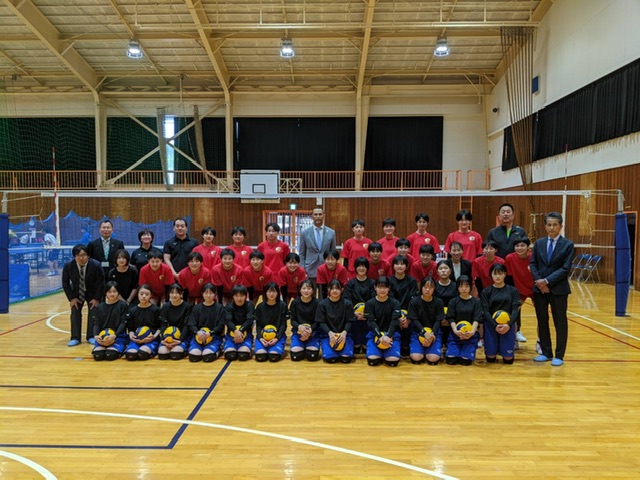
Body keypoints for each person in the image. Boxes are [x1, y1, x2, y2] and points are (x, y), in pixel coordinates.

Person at [530, 212, 574, 367]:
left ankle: (559, 355)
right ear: (545, 226)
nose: (551, 228)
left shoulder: (568, 245)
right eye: (549, 225)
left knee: (560, 321)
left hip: (558, 289)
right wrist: (540, 282)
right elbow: (533, 264)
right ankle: (546, 352)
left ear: (561, 226)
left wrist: (547, 281)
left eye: (555, 225)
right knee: (542, 320)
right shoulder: (539, 243)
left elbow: (565, 269)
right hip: (539, 289)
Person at [62, 244, 105, 346]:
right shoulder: (68, 266)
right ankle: (75, 337)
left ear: (88, 256)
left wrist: (96, 298)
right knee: (75, 312)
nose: (81, 258)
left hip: (92, 293)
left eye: (84, 255)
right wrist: (72, 298)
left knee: (94, 313)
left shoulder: (96, 265)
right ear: (74, 256)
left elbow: (101, 282)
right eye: (78, 256)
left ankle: (91, 336)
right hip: (76, 293)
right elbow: (65, 283)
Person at [481, 264, 521, 364]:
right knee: (490, 358)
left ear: (505, 274)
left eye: (500, 273)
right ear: (491, 275)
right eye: (495, 274)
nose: (497, 276)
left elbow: (515, 310)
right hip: (491, 325)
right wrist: (495, 325)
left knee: (508, 359)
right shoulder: (486, 291)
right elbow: (485, 311)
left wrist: (509, 325)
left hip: (507, 325)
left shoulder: (513, 290)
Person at [364, 276, 402, 367]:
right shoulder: (369, 303)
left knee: (392, 362)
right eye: (379, 287)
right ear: (375, 288)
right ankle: (379, 352)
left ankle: (388, 353)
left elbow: (395, 321)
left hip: (391, 335)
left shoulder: (395, 303)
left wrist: (388, 336)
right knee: (373, 361)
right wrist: (380, 336)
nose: (382, 290)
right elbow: (371, 322)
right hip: (375, 335)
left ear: (389, 288)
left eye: (385, 287)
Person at [315, 279, 355, 364]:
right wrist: (329, 333)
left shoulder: (347, 304)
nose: (334, 291)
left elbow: (349, 321)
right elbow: (321, 322)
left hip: (344, 335)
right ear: (328, 290)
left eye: (337, 288)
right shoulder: (322, 304)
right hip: (328, 335)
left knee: (346, 359)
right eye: (332, 288)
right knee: (331, 359)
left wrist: (344, 332)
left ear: (342, 290)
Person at [445, 275, 482, 366]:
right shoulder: (453, 301)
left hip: (470, 335)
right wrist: (455, 331)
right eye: (461, 286)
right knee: (451, 360)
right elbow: (451, 318)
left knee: (465, 361)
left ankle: (468, 350)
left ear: (470, 287)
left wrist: (472, 332)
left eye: (466, 286)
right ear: (457, 287)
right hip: (456, 334)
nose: (464, 289)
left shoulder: (476, 302)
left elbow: (477, 318)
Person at [186, 283, 227, 362]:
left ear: (215, 294)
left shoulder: (220, 308)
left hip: (214, 337)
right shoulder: (196, 308)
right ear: (202, 294)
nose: (208, 295)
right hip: (199, 337)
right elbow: (191, 324)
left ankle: (219, 350)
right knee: (194, 357)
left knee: (208, 357)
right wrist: (198, 332)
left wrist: (210, 333)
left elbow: (221, 326)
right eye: (206, 293)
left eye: (211, 293)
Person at [408, 276, 445, 365]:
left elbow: (438, 320)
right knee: (416, 357)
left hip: (434, 333)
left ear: (434, 288)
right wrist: (424, 333)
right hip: (418, 332)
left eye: (430, 287)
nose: (427, 290)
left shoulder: (438, 302)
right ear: (421, 288)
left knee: (433, 359)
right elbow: (414, 320)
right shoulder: (414, 302)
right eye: (425, 287)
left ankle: (433, 350)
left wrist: (432, 335)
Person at [505, 236, 534, 344]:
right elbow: (508, 276)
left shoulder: (533, 257)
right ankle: (514, 338)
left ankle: (540, 342)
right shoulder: (509, 258)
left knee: (542, 315)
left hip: (535, 289)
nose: (520, 248)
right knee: (513, 314)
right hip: (519, 291)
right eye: (517, 246)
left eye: (522, 245)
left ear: (528, 247)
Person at [90, 281, 129, 361]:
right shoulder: (100, 307)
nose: (112, 294)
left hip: (118, 337)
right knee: (98, 356)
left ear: (118, 292)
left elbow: (123, 323)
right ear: (105, 293)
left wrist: (115, 335)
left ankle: (123, 346)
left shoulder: (123, 305)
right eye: (109, 292)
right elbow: (96, 323)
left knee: (110, 355)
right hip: (103, 336)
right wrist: (96, 336)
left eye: (114, 291)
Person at [343, 257, 375, 353]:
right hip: (354, 315)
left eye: (364, 266)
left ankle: (366, 344)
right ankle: (356, 344)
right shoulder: (350, 283)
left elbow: (374, 300)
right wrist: (354, 313)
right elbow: (347, 300)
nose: (361, 268)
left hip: (368, 315)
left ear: (367, 268)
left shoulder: (372, 283)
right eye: (359, 266)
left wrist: (366, 314)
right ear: (355, 268)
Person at [388, 255, 418, 357]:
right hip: (393, 313)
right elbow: (389, 301)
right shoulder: (389, 281)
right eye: (397, 264)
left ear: (407, 266)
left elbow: (414, 301)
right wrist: (397, 317)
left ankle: (406, 346)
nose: (399, 266)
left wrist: (408, 318)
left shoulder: (412, 281)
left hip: (408, 314)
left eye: (402, 264)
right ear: (393, 266)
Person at [298, 207, 336, 284]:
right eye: (315, 214)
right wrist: (302, 268)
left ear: (323, 216)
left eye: (320, 214)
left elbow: (333, 253)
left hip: (326, 268)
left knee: (325, 291)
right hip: (310, 268)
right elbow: (302, 253)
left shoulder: (331, 233)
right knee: (311, 290)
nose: (318, 216)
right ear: (312, 216)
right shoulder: (305, 233)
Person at [124, 285, 161, 361]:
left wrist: (153, 337)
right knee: (130, 355)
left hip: (151, 339)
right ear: (137, 294)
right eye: (141, 294)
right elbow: (130, 329)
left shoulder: (156, 310)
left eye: (147, 294)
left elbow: (160, 327)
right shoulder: (132, 311)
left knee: (142, 354)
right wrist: (132, 337)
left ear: (151, 296)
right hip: (137, 340)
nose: (144, 296)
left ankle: (151, 350)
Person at [254, 283, 288, 362]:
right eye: (269, 291)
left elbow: (283, 325)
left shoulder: (283, 306)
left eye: (274, 291)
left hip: (277, 336)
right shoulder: (260, 307)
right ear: (265, 293)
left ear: (278, 293)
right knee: (260, 357)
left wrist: (277, 338)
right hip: (263, 337)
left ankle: (277, 346)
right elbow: (258, 325)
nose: (271, 294)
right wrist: (260, 338)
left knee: (273, 357)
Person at [289, 279, 321, 361]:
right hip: (298, 332)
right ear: (300, 290)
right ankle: (300, 344)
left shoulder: (317, 303)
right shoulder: (295, 303)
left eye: (309, 288)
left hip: (313, 333)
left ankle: (308, 345)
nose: (306, 291)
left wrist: (310, 330)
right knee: (296, 356)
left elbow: (318, 321)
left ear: (313, 290)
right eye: (304, 288)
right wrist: (299, 327)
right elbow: (293, 321)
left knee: (312, 357)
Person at [158, 283, 192, 360]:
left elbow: (186, 326)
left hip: (182, 337)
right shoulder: (165, 306)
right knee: (162, 353)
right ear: (169, 294)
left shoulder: (187, 306)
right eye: (172, 293)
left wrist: (179, 340)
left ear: (181, 294)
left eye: (177, 293)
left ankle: (185, 350)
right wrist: (164, 340)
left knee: (176, 354)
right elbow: (163, 325)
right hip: (168, 337)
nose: (174, 295)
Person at [223, 285, 255, 361]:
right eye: (236, 296)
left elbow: (249, 320)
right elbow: (228, 321)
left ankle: (249, 348)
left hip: (246, 335)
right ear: (233, 296)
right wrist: (235, 331)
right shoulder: (229, 307)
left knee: (243, 355)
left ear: (246, 296)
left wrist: (240, 330)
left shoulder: (250, 305)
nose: (239, 298)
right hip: (231, 335)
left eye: (242, 296)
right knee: (230, 355)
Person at [434, 260, 457, 350]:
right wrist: (441, 318)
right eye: (440, 269)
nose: (443, 270)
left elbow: (458, 304)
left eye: (445, 268)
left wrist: (449, 319)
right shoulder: (434, 286)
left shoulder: (456, 286)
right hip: (437, 318)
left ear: (450, 271)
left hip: (453, 318)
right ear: (437, 272)